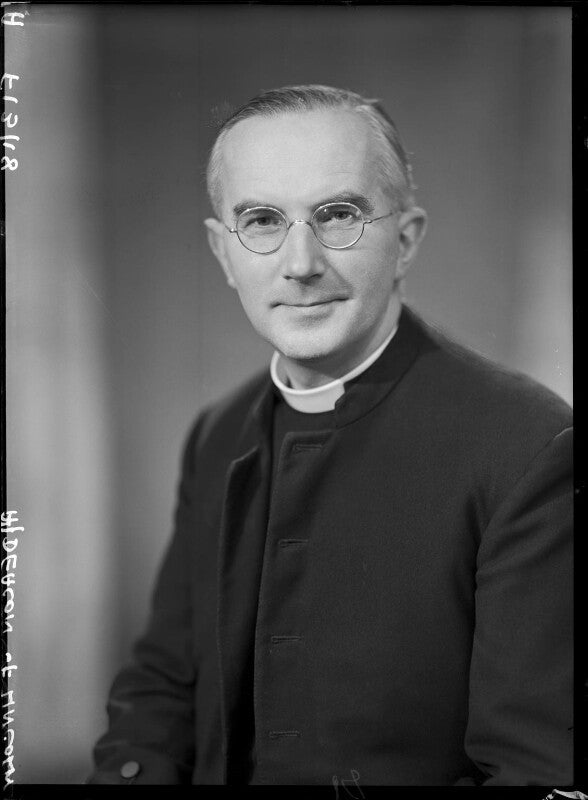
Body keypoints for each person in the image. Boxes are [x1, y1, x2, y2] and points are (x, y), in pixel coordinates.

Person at [88, 85, 573, 786]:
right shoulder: (218, 432)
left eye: (338, 214)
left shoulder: (526, 445)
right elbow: (163, 688)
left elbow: (535, 769)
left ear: (406, 240)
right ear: (223, 253)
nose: (301, 264)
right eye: (261, 221)